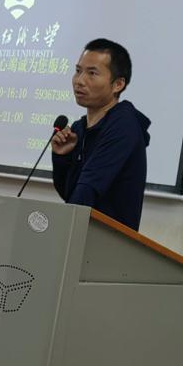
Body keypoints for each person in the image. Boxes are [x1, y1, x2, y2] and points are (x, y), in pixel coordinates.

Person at [51, 38, 151, 230]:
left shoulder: (123, 124)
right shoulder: (79, 128)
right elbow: (69, 194)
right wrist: (61, 158)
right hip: (83, 231)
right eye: (78, 71)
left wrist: (59, 230)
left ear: (118, 84)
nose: (79, 81)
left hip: (108, 240)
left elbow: (88, 190)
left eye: (92, 73)